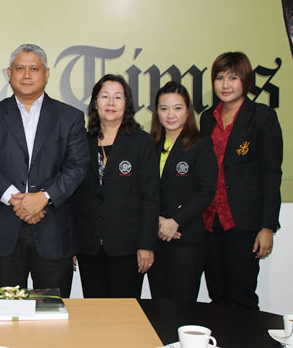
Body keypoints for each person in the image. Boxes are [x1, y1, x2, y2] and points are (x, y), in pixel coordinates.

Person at [0, 44, 89, 298]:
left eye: (34, 69)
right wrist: (18, 200)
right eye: (20, 68)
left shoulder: (70, 117)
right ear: (9, 73)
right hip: (4, 232)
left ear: (46, 73)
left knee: (52, 311)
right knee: (4, 311)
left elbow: (77, 166)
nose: (27, 75)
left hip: (54, 231)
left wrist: (42, 198)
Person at [200, 52, 283, 310]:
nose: (225, 85)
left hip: (243, 224)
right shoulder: (206, 119)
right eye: (220, 77)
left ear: (245, 80)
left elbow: (271, 174)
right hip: (209, 223)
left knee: (242, 298)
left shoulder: (262, 117)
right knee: (217, 296)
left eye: (233, 78)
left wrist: (267, 227)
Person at [72, 74, 158, 298]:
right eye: (105, 96)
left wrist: (147, 245)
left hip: (128, 246)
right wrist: (71, 243)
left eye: (118, 97)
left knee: (126, 314)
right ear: (95, 102)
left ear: (126, 103)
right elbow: (74, 195)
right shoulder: (82, 140)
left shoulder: (141, 141)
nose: (111, 103)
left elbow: (150, 197)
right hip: (89, 245)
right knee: (95, 312)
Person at [146, 81, 217, 301]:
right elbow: (141, 189)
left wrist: (175, 221)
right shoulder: (149, 144)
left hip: (186, 237)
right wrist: (157, 222)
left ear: (188, 112)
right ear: (156, 112)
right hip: (154, 237)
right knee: (159, 304)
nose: (170, 114)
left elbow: (206, 190)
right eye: (163, 108)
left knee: (183, 306)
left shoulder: (201, 144)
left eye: (178, 108)